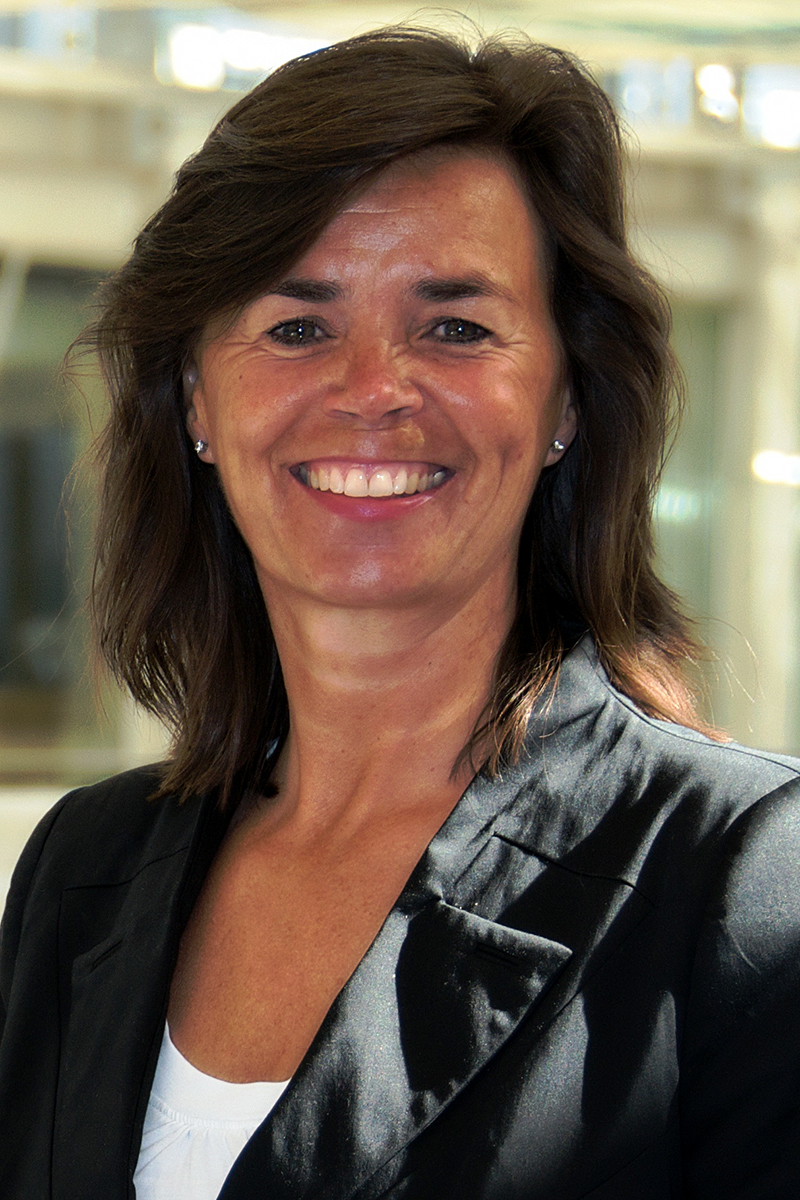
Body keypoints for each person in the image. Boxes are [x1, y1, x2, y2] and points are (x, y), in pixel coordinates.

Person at [1, 24, 799, 1200]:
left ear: (564, 400)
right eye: (296, 326)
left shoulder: (742, 875)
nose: (373, 390)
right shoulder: (84, 867)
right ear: (195, 404)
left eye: (455, 327)